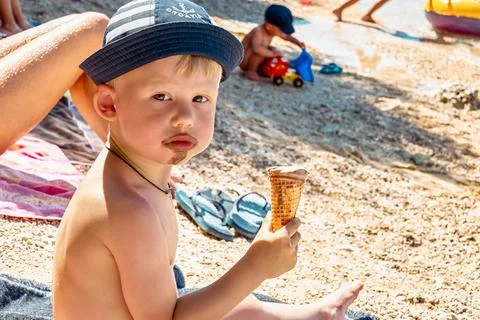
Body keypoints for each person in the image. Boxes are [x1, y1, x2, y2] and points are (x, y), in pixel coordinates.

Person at [51, 0, 364, 319]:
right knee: (232, 295)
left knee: (237, 304)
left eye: (200, 98)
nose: (185, 117)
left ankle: (311, 315)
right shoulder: (127, 210)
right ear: (108, 104)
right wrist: (255, 266)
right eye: (162, 96)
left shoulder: (136, 176)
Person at [240, 4, 305, 81]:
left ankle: (264, 69)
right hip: (245, 59)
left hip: (257, 53)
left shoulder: (270, 31)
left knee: (272, 49)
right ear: (269, 26)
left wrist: (298, 43)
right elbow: (256, 49)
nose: (283, 33)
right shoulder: (258, 31)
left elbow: (286, 37)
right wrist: (273, 54)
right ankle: (251, 71)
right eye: (282, 30)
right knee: (261, 52)